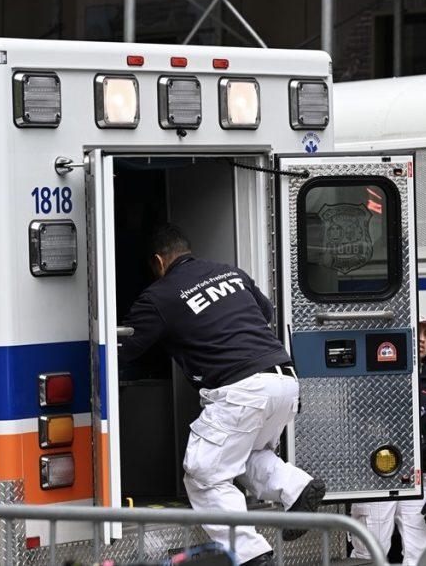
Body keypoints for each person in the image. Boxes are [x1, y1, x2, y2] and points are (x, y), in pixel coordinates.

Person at [120, 224, 326, 566]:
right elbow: (266, 314)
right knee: (244, 455)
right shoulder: (229, 272)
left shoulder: (160, 296)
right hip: (283, 380)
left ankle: (250, 553)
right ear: (187, 249)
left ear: (158, 262)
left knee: (203, 474)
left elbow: (124, 346)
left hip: (242, 391)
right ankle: (296, 486)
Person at [349, 318, 426, 565]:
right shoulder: (375, 370)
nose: (422, 339)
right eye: (417, 333)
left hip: (420, 475)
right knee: (369, 555)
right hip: (376, 475)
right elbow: (355, 419)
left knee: (422, 556)